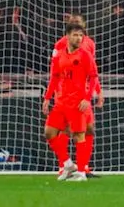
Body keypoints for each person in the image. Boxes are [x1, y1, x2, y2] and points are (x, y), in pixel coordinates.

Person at [43, 22, 98, 182]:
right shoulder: (59, 55)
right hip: (61, 102)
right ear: (67, 36)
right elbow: (54, 77)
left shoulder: (85, 55)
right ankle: (67, 164)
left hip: (77, 102)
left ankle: (81, 172)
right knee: (49, 132)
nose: (79, 38)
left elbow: (94, 77)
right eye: (75, 35)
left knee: (79, 135)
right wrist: (47, 98)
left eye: (81, 35)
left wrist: (87, 98)